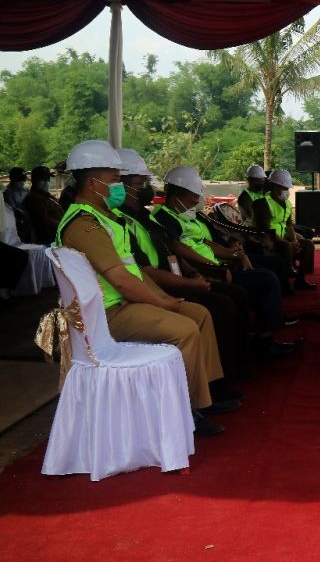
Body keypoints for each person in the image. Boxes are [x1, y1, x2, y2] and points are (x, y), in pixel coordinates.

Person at [55, 140, 238, 437]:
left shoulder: (106, 219)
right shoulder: (84, 224)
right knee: (185, 328)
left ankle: (207, 394)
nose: (119, 186)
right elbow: (121, 279)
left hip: (125, 302)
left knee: (199, 313)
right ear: (93, 183)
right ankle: (188, 411)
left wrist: (163, 297)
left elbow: (133, 271)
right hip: (107, 312)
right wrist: (161, 303)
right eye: (114, 180)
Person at [116, 148, 253, 390]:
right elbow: (145, 270)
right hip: (156, 288)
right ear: (124, 183)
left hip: (175, 279)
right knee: (221, 306)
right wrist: (190, 283)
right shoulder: (121, 221)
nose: (147, 187)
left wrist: (191, 273)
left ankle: (232, 369)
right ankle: (214, 385)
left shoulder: (144, 217)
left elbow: (171, 251)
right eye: (141, 182)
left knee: (234, 296)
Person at [151, 165, 299, 355]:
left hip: (219, 263)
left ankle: (264, 327)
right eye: (194, 195)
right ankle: (262, 342)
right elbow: (178, 249)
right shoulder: (164, 217)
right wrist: (217, 268)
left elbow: (205, 241)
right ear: (178, 194)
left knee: (268, 270)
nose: (198, 200)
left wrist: (235, 254)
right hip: (206, 271)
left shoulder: (188, 216)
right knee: (265, 280)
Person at [253, 168, 316, 291]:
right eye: (284, 188)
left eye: (287, 188)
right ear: (275, 186)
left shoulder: (286, 203)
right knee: (286, 247)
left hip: (284, 238)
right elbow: (266, 230)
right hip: (268, 240)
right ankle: (285, 280)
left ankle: (300, 279)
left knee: (308, 244)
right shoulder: (263, 203)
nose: (287, 191)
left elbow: (289, 225)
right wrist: (287, 243)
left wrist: (294, 240)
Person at [22, 166, 64, 245]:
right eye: (42, 179)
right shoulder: (33, 198)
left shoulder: (45, 195)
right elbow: (44, 220)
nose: (46, 182)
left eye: (47, 179)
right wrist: (63, 225)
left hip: (56, 237)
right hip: (46, 240)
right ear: (34, 181)